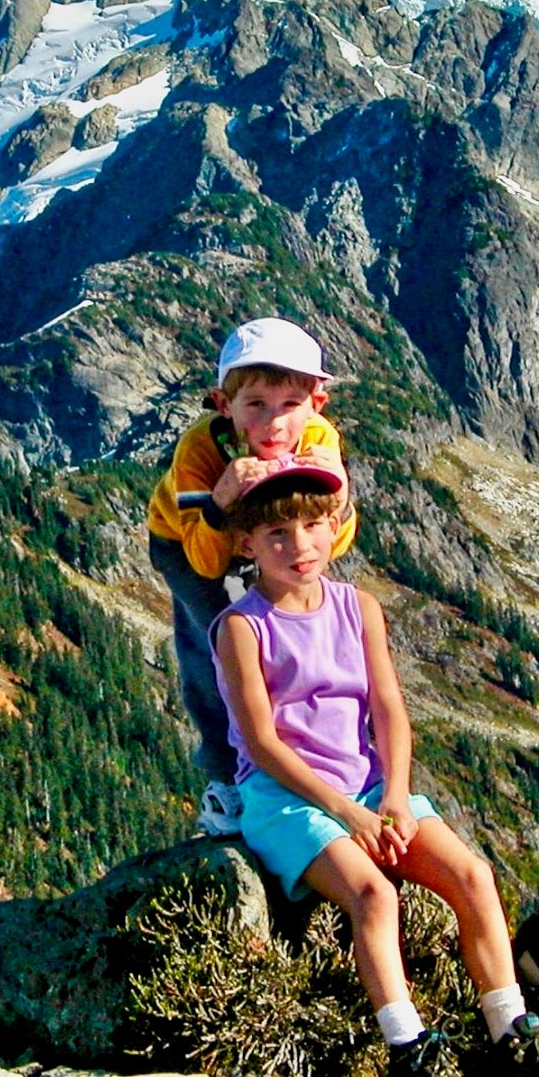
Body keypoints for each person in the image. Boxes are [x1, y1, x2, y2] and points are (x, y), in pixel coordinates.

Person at [211, 476, 539, 1077]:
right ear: (247, 543)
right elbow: (261, 743)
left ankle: (513, 1039)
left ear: (333, 526)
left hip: (369, 785)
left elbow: (389, 706)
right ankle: (409, 1051)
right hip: (286, 797)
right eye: (278, 533)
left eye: (313, 526)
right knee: (373, 894)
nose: (300, 545)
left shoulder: (356, 606)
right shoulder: (242, 628)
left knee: (474, 876)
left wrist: (394, 793)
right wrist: (345, 812)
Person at [145, 318, 352, 836]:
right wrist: (220, 501)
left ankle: (307, 767)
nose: (275, 423)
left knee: (291, 647)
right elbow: (204, 563)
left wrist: (341, 500)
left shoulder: (321, 440)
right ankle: (228, 783)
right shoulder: (200, 451)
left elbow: (333, 544)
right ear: (223, 405)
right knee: (216, 652)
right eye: (255, 404)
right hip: (189, 543)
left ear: (316, 404)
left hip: (267, 538)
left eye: (289, 404)